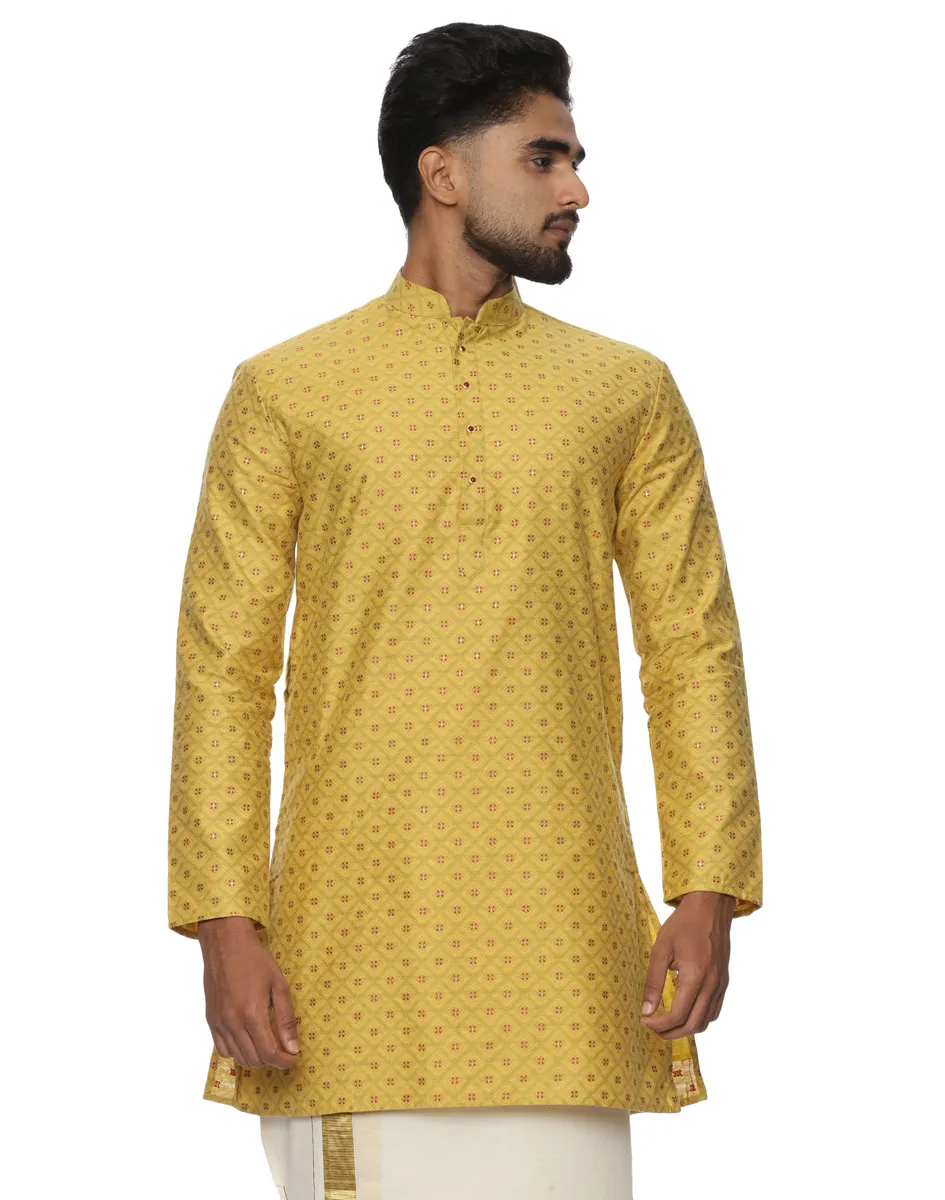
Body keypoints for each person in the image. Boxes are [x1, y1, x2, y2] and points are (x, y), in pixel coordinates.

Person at [167, 21, 763, 1200]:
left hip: (570, 949)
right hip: (352, 950)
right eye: (545, 158)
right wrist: (226, 923)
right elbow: (224, 670)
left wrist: (708, 889)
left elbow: (692, 647)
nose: (577, 189)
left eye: (575, 160)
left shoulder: (625, 391)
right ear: (442, 174)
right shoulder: (287, 391)